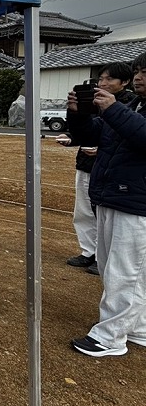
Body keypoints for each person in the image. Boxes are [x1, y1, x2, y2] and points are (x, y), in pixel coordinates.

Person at [67, 54, 146, 357]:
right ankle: (137, 327)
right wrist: (78, 114)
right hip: (115, 194)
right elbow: (92, 134)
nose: (138, 77)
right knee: (123, 269)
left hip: (136, 202)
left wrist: (112, 109)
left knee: (124, 272)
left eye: (144, 72)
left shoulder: (123, 108)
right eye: (137, 71)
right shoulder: (133, 105)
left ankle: (110, 336)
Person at [60, 62, 133, 277]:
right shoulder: (92, 100)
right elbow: (90, 131)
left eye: (109, 79)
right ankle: (88, 251)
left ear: (124, 82)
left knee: (103, 215)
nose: (103, 83)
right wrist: (72, 137)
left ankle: (103, 257)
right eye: (101, 78)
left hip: (110, 171)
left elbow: (125, 137)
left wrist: (100, 149)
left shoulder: (128, 104)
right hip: (86, 164)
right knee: (83, 211)